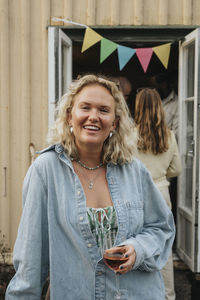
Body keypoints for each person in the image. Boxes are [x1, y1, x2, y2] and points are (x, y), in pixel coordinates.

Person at [6, 74, 175, 300]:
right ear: (69, 116)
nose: (93, 117)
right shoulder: (46, 170)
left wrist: (138, 250)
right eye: (85, 107)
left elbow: (161, 227)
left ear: (114, 123)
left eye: (104, 110)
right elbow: (30, 258)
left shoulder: (134, 170)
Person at [133, 88, 181, 300]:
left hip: (136, 193)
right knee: (164, 246)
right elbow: (176, 169)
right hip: (161, 193)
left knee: (136, 244)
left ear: (138, 107)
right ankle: (168, 295)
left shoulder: (131, 136)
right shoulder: (169, 135)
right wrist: (161, 174)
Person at [153, 72, 179, 140]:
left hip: (167, 144)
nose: (155, 89)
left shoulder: (177, 103)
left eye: (156, 86)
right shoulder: (152, 99)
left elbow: (177, 131)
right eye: (155, 86)